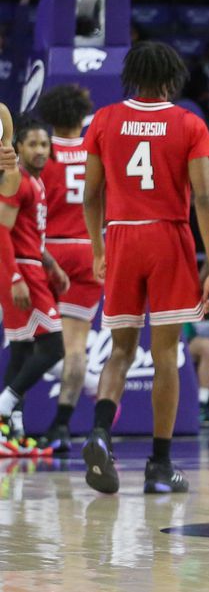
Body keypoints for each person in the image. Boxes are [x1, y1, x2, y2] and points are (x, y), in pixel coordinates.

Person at [80, 42, 209, 494]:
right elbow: (203, 197)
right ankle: (159, 466)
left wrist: (98, 248)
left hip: (121, 236)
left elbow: (90, 195)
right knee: (165, 356)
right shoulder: (188, 123)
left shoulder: (104, 119)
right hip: (168, 237)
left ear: (132, 76)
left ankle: (101, 432)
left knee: (120, 351)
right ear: (172, 78)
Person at [35, 84, 98, 453]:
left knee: (26, 339)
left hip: (49, 251)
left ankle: (10, 417)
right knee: (76, 347)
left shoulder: (41, 153)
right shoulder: (97, 151)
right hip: (90, 249)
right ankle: (61, 426)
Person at [0, 116, 67, 456]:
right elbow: (3, 232)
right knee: (55, 345)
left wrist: (52, 264)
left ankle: (13, 431)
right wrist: (14, 277)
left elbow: (29, 236)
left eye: (45, 144)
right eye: (33, 144)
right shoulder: (16, 179)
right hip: (20, 272)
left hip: (32, 268)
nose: (41, 150)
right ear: (18, 148)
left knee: (23, 351)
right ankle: (3, 407)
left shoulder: (36, 183)